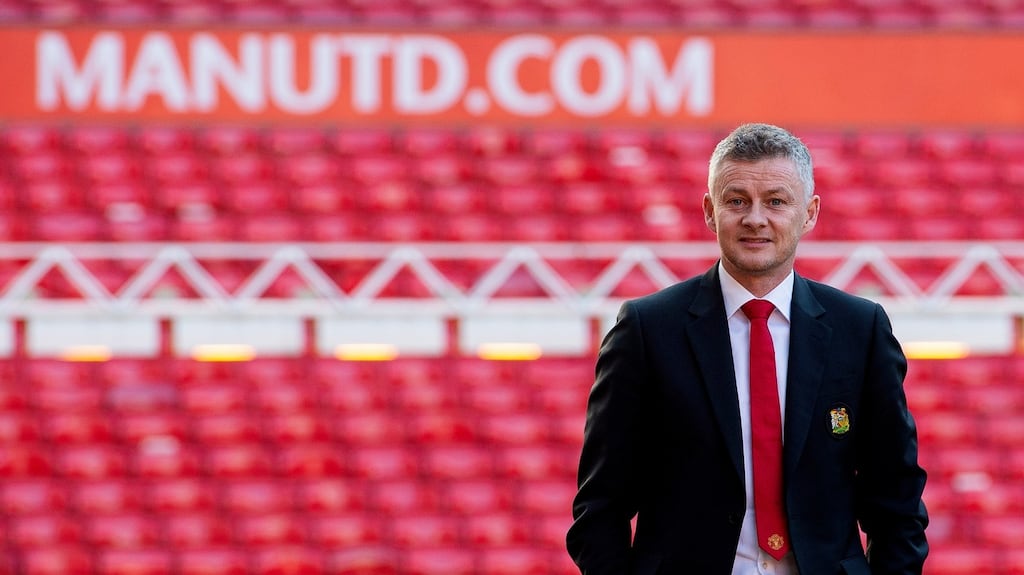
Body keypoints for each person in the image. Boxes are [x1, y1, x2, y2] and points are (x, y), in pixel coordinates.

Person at [566, 123, 928, 574]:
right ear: (709, 211)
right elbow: (601, 506)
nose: (755, 218)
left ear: (810, 212)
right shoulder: (646, 330)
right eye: (737, 200)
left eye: (776, 201)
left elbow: (896, 500)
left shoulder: (861, 329)